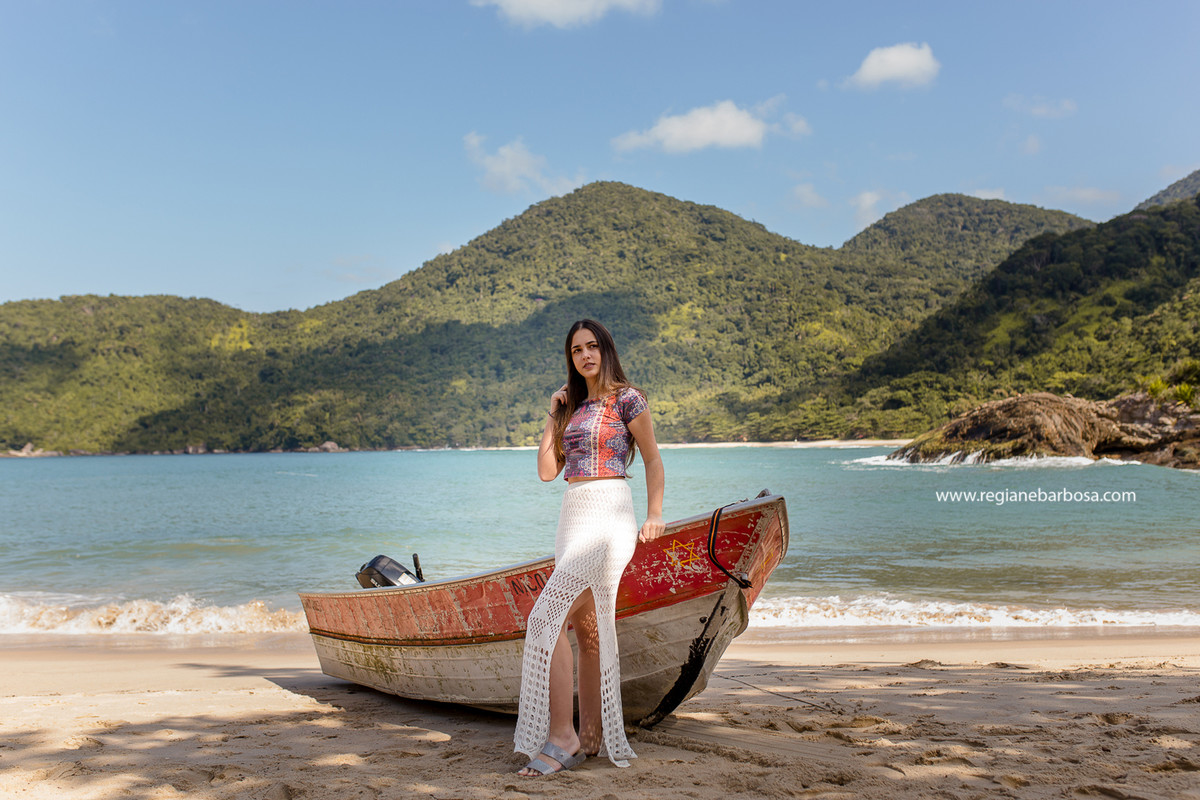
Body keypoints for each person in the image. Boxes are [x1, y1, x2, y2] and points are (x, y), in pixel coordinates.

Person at [513, 318, 665, 777]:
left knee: (545, 617)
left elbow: (654, 458)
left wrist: (655, 514)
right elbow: (545, 471)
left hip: (610, 515)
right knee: (588, 630)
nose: (585, 355)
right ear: (571, 358)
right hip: (572, 518)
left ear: (606, 350)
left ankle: (562, 736)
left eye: (592, 346)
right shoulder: (571, 411)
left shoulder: (627, 399)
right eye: (577, 350)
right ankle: (592, 734)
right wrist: (552, 414)